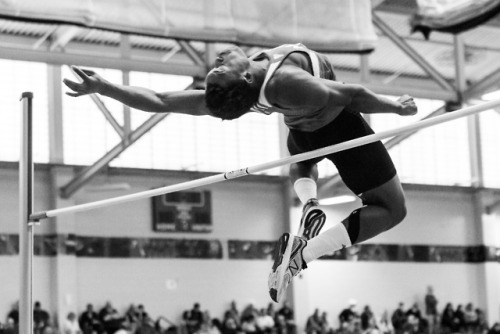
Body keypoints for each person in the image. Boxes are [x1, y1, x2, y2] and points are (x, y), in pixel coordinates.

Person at [63, 43, 417, 302]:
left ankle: (309, 204)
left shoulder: (240, 90)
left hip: (301, 136)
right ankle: (304, 254)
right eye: (219, 69)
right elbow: (350, 95)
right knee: (391, 210)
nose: (215, 63)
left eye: (215, 70)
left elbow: (160, 100)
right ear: (246, 75)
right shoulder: (286, 81)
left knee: (302, 161)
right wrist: (395, 107)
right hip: (340, 130)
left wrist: (104, 87)